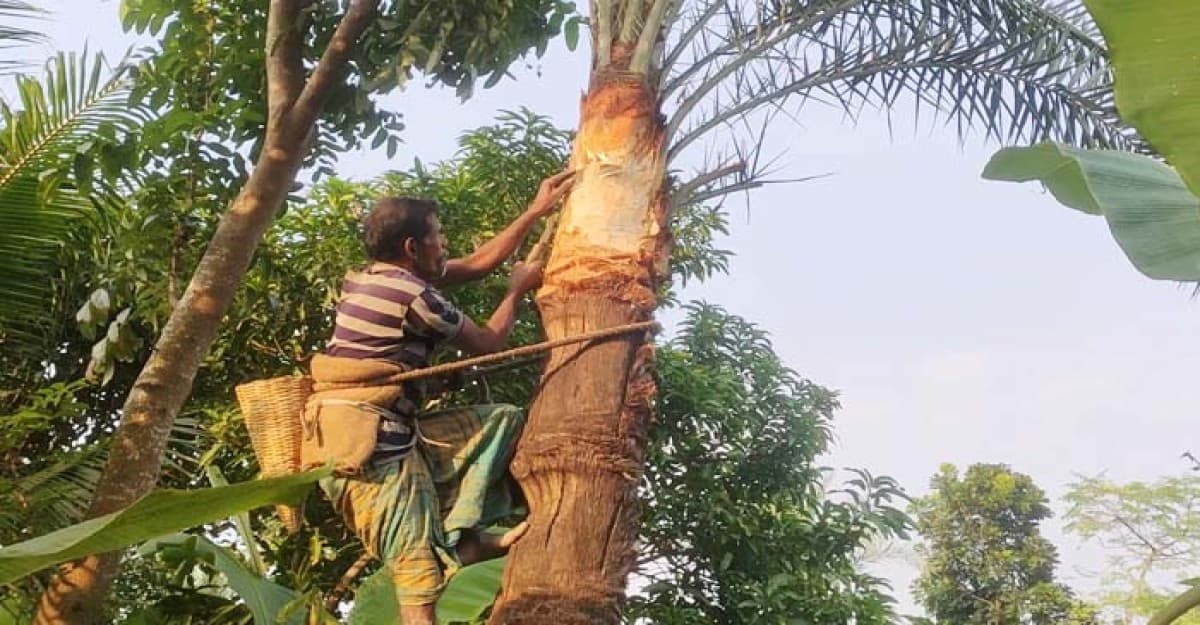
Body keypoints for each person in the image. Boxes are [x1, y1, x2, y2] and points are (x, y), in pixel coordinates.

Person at [307, 170, 575, 624]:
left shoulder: (371, 278)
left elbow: (476, 264)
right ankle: (454, 545)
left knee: (500, 421)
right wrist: (516, 290)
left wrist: (535, 211)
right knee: (418, 586)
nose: (445, 244)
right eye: (438, 235)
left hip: (395, 432)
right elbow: (488, 344)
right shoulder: (416, 296)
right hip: (372, 450)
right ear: (413, 247)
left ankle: (461, 535)